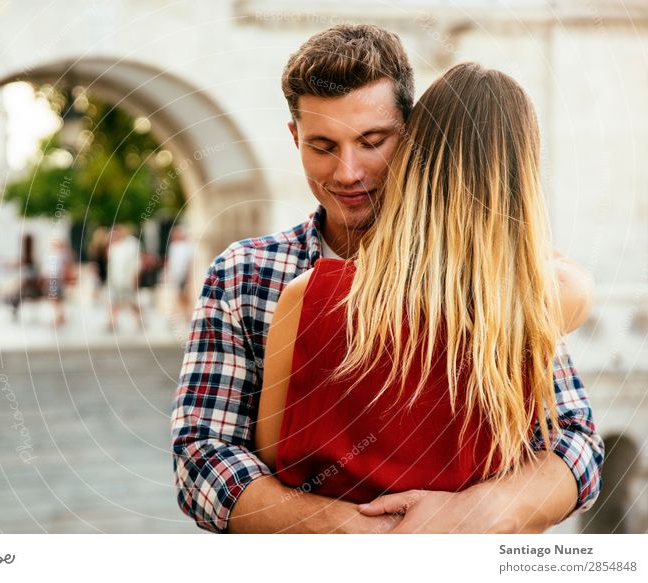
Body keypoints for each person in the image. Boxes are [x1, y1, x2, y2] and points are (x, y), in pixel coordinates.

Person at [171, 24, 602, 534]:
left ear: (413, 135)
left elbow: (576, 443)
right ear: (295, 138)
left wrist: (472, 514)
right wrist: (350, 529)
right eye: (323, 146)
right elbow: (201, 458)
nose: (348, 172)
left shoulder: (494, 278)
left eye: (372, 142)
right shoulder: (243, 275)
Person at [106, 224, 142, 331]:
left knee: (131, 300)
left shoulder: (132, 244)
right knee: (113, 300)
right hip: (114, 279)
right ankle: (112, 321)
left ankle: (139, 319)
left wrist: (135, 275)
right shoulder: (113, 247)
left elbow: (137, 261)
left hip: (128, 279)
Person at [163, 225, 195, 323]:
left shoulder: (188, 246)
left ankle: (187, 316)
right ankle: (176, 317)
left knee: (184, 297)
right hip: (174, 276)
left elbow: (190, 263)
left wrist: (188, 276)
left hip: (183, 275)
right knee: (176, 296)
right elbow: (170, 261)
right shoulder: (173, 246)